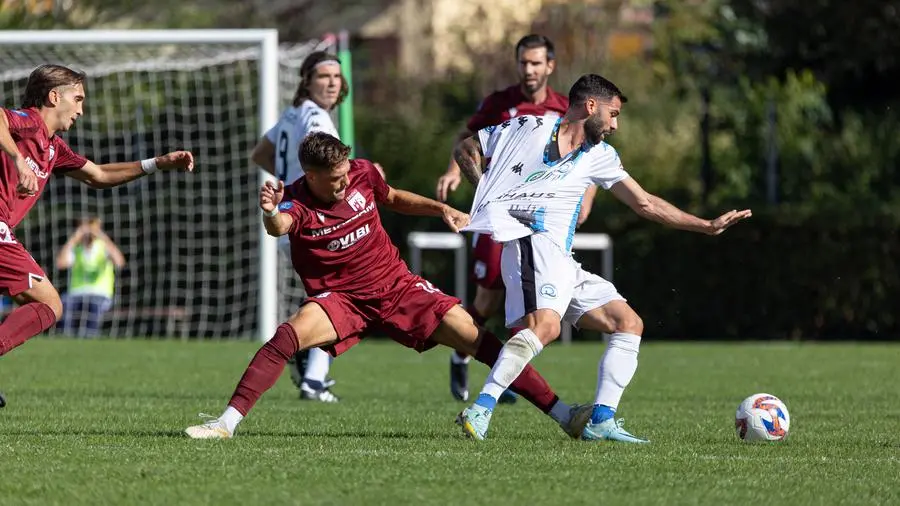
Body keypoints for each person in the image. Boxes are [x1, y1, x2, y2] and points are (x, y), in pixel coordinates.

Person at [184, 132, 590, 439]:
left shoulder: (361, 172)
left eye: (346, 175)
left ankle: (565, 416)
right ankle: (225, 424)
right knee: (285, 339)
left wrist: (442, 209)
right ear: (311, 176)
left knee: (478, 340)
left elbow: (392, 196)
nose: (344, 183)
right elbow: (279, 227)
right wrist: (270, 211)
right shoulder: (296, 201)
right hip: (343, 299)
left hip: (398, 287)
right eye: (335, 179)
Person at [454, 74, 752, 442]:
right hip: (529, 242)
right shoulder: (528, 126)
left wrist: (705, 225)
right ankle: (481, 408)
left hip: (561, 258)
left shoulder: (600, 156)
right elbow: (467, 148)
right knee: (545, 327)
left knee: (627, 322)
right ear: (590, 106)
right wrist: (486, 193)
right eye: (613, 114)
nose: (615, 124)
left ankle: (601, 420)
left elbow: (644, 202)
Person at [0, 64, 194, 405]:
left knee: (42, 306)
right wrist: (16, 158)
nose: (81, 109)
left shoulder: (53, 148)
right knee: (48, 304)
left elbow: (100, 174)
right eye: (78, 99)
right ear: (54, 96)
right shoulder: (27, 122)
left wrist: (158, 163)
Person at [435, 34, 597, 403]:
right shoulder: (499, 104)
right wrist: (457, 173)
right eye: (524, 63)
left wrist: (586, 198)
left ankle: (504, 377)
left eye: (536, 63)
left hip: (539, 217)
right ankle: (461, 352)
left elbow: (592, 155)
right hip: (500, 214)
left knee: (526, 302)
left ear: (550, 66)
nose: (529, 70)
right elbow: (468, 139)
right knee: (489, 299)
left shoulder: (563, 107)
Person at [250, 51, 376, 403]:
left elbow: (260, 152)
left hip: (293, 215)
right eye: (323, 76)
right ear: (307, 81)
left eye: (337, 76)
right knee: (343, 297)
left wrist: (287, 178)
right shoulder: (317, 118)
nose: (332, 82)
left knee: (334, 295)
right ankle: (312, 374)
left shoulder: (294, 113)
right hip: (312, 218)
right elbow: (334, 164)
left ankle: (311, 370)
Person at [55, 216, 125, 337]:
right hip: (77, 293)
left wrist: (102, 237)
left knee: (94, 305)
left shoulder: (103, 248)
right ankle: (65, 337)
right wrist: (74, 238)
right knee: (64, 303)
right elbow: (60, 264)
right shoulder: (76, 249)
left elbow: (119, 262)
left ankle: (91, 337)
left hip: (100, 294)